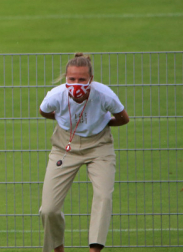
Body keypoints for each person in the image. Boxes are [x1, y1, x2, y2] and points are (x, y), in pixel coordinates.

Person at [38, 53, 129, 252]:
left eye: (82, 79)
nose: (76, 84)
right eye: (71, 79)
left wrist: (103, 123)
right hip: (64, 146)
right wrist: (64, 122)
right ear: (65, 79)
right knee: (48, 209)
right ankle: (57, 249)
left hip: (99, 146)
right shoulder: (55, 95)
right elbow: (44, 111)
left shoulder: (104, 94)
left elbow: (123, 118)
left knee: (103, 196)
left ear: (91, 80)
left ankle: (94, 250)